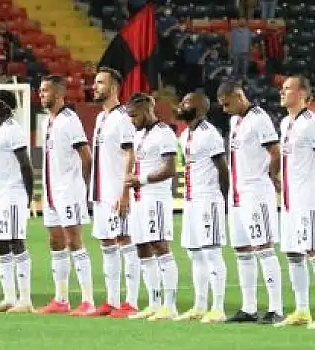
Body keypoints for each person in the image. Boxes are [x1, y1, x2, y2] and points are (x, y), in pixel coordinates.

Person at [218, 81, 284, 324]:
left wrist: (272, 176)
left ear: (238, 96)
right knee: (243, 251)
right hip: (237, 196)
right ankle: (248, 307)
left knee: (264, 248)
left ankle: (276, 308)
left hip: (256, 193)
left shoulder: (259, 119)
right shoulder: (235, 121)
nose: (224, 109)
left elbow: (275, 151)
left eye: (226, 103)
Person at [275, 76, 315, 327]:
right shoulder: (285, 123)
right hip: (289, 200)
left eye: (287, 88)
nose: (282, 91)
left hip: (308, 199)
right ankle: (302, 309)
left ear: (302, 93)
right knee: (292, 253)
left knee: (313, 250)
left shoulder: (310, 123)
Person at [35, 76, 95, 315]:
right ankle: (61, 299)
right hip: (51, 194)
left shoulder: (70, 120)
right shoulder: (46, 122)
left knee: (74, 241)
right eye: (40, 90)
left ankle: (88, 301)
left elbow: (86, 157)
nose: (41, 94)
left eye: (45, 91)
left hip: (69, 192)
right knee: (56, 242)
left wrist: (82, 189)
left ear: (59, 94)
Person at [123, 94, 181, 320]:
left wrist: (142, 179)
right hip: (139, 198)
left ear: (148, 110)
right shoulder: (139, 134)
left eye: (135, 115)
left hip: (155, 198)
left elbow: (170, 169)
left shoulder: (164, 133)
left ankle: (170, 305)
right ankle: (155, 304)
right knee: (142, 248)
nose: (132, 120)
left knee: (160, 246)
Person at [89, 69, 141, 318]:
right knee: (107, 244)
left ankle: (130, 301)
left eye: (100, 83)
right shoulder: (101, 118)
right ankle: (111, 300)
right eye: (95, 82)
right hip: (101, 193)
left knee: (124, 241)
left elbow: (130, 154)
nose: (94, 86)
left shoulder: (123, 118)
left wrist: (124, 193)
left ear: (114, 88)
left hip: (116, 192)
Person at [174, 92, 230, 322]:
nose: (182, 105)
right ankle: (200, 305)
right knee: (194, 253)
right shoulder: (186, 133)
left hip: (208, 199)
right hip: (190, 200)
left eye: (186, 102)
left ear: (199, 107)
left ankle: (218, 308)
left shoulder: (210, 134)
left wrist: (223, 201)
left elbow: (223, 169)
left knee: (211, 252)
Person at [0, 89, 34, 313]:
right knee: (1, 243)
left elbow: (25, 164)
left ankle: (25, 300)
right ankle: (9, 297)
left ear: (4, 106)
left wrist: (28, 197)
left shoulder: (14, 130)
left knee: (16, 241)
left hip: (13, 194)